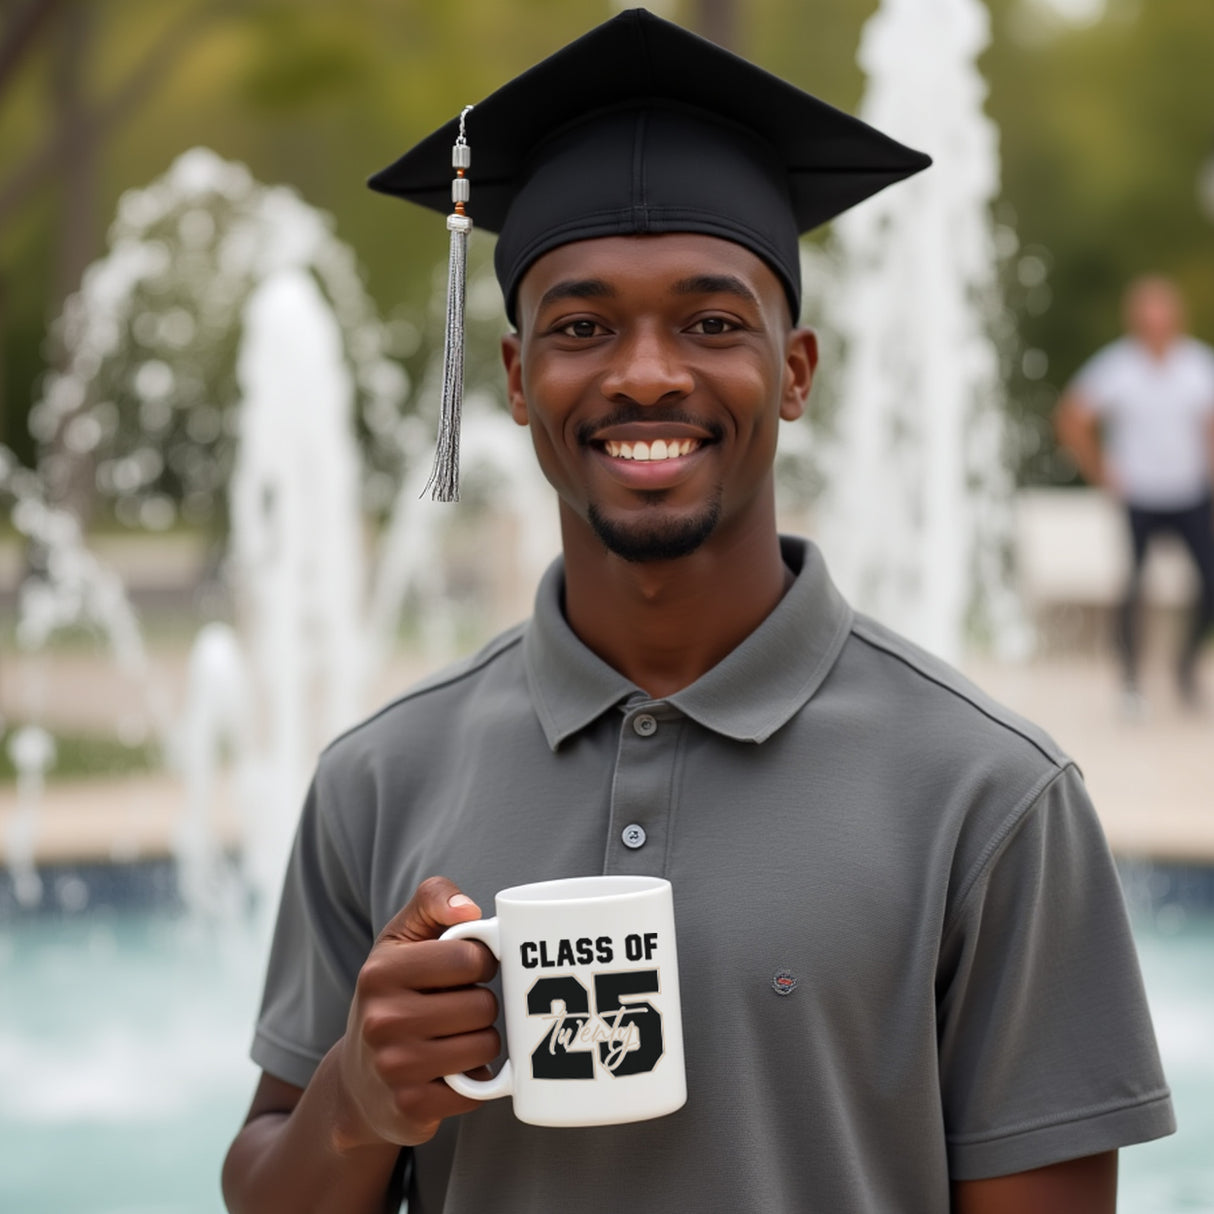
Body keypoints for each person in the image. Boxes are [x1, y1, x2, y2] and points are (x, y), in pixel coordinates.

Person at [223, 11, 1174, 1214]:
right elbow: (265, 1185)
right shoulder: (380, 773)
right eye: (579, 327)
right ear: (515, 380)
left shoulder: (987, 794)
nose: (645, 372)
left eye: (711, 321)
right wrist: (357, 1097)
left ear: (795, 369)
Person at [1055, 275, 1214, 712]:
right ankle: (1130, 680)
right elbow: (1071, 415)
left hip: (1190, 493)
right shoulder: (1118, 366)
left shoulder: (1198, 365)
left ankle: (1184, 666)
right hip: (1140, 495)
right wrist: (1101, 470)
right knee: (1133, 589)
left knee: (1210, 583)